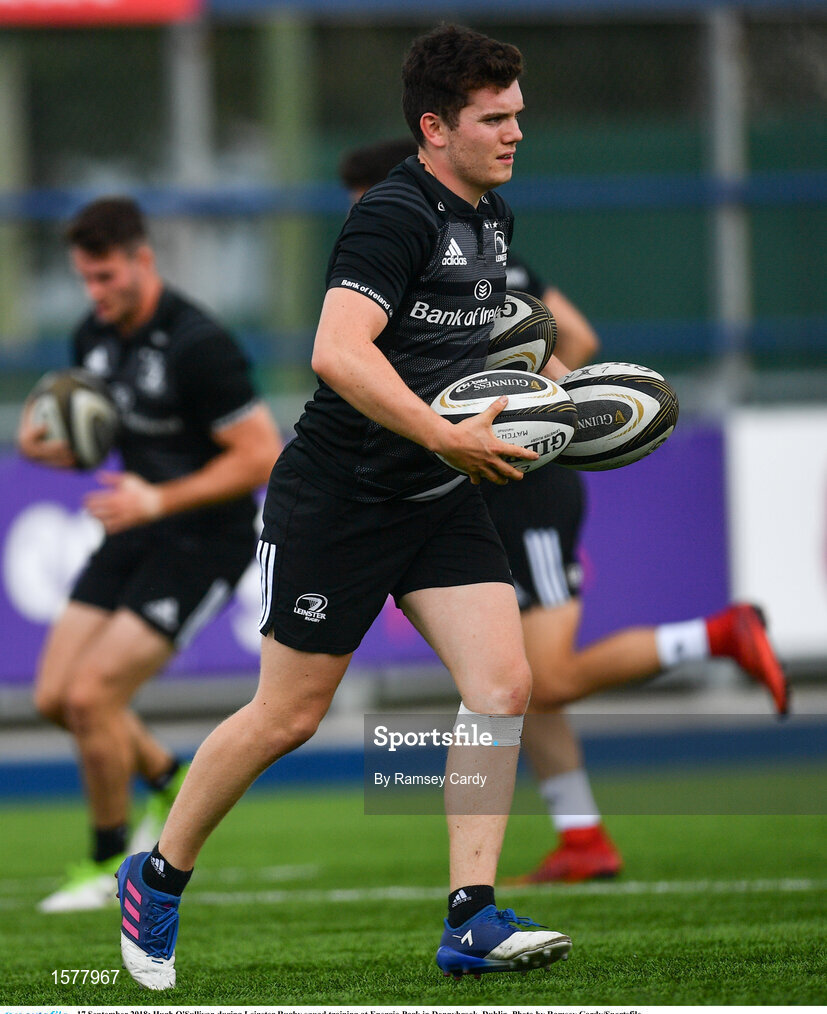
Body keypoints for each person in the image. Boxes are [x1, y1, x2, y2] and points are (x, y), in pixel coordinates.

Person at [115, 23, 577, 990]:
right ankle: (155, 878)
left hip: (435, 495)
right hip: (338, 500)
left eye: (517, 115)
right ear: (433, 126)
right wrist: (445, 434)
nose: (514, 132)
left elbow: (468, 343)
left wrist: (555, 391)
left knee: (502, 686)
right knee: (288, 716)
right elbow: (337, 352)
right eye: (494, 118)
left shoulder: (489, 215)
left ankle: (471, 918)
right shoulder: (394, 214)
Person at [340, 138, 790, 884]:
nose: (363, 223)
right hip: (479, 480)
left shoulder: (455, 264)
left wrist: (526, 414)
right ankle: (581, 835)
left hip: (525, 487)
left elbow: (566, 346)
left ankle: (711, 636)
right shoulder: (465, 260)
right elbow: (565, 337)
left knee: (537, 680)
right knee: (502, 679)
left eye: (365, 205)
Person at [17, 197, 282, 913]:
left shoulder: (199, 344)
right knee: (52, 698)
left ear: (143, 260)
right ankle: (165, 772)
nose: (96, 294)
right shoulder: (93, 337)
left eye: (106, 277)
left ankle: (105, 867)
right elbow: (95, 437)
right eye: (85, 279)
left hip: (203, 540)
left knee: (90, 697)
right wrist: (47, 445)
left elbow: (261, 455)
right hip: (132, 529)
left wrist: (159, 500)